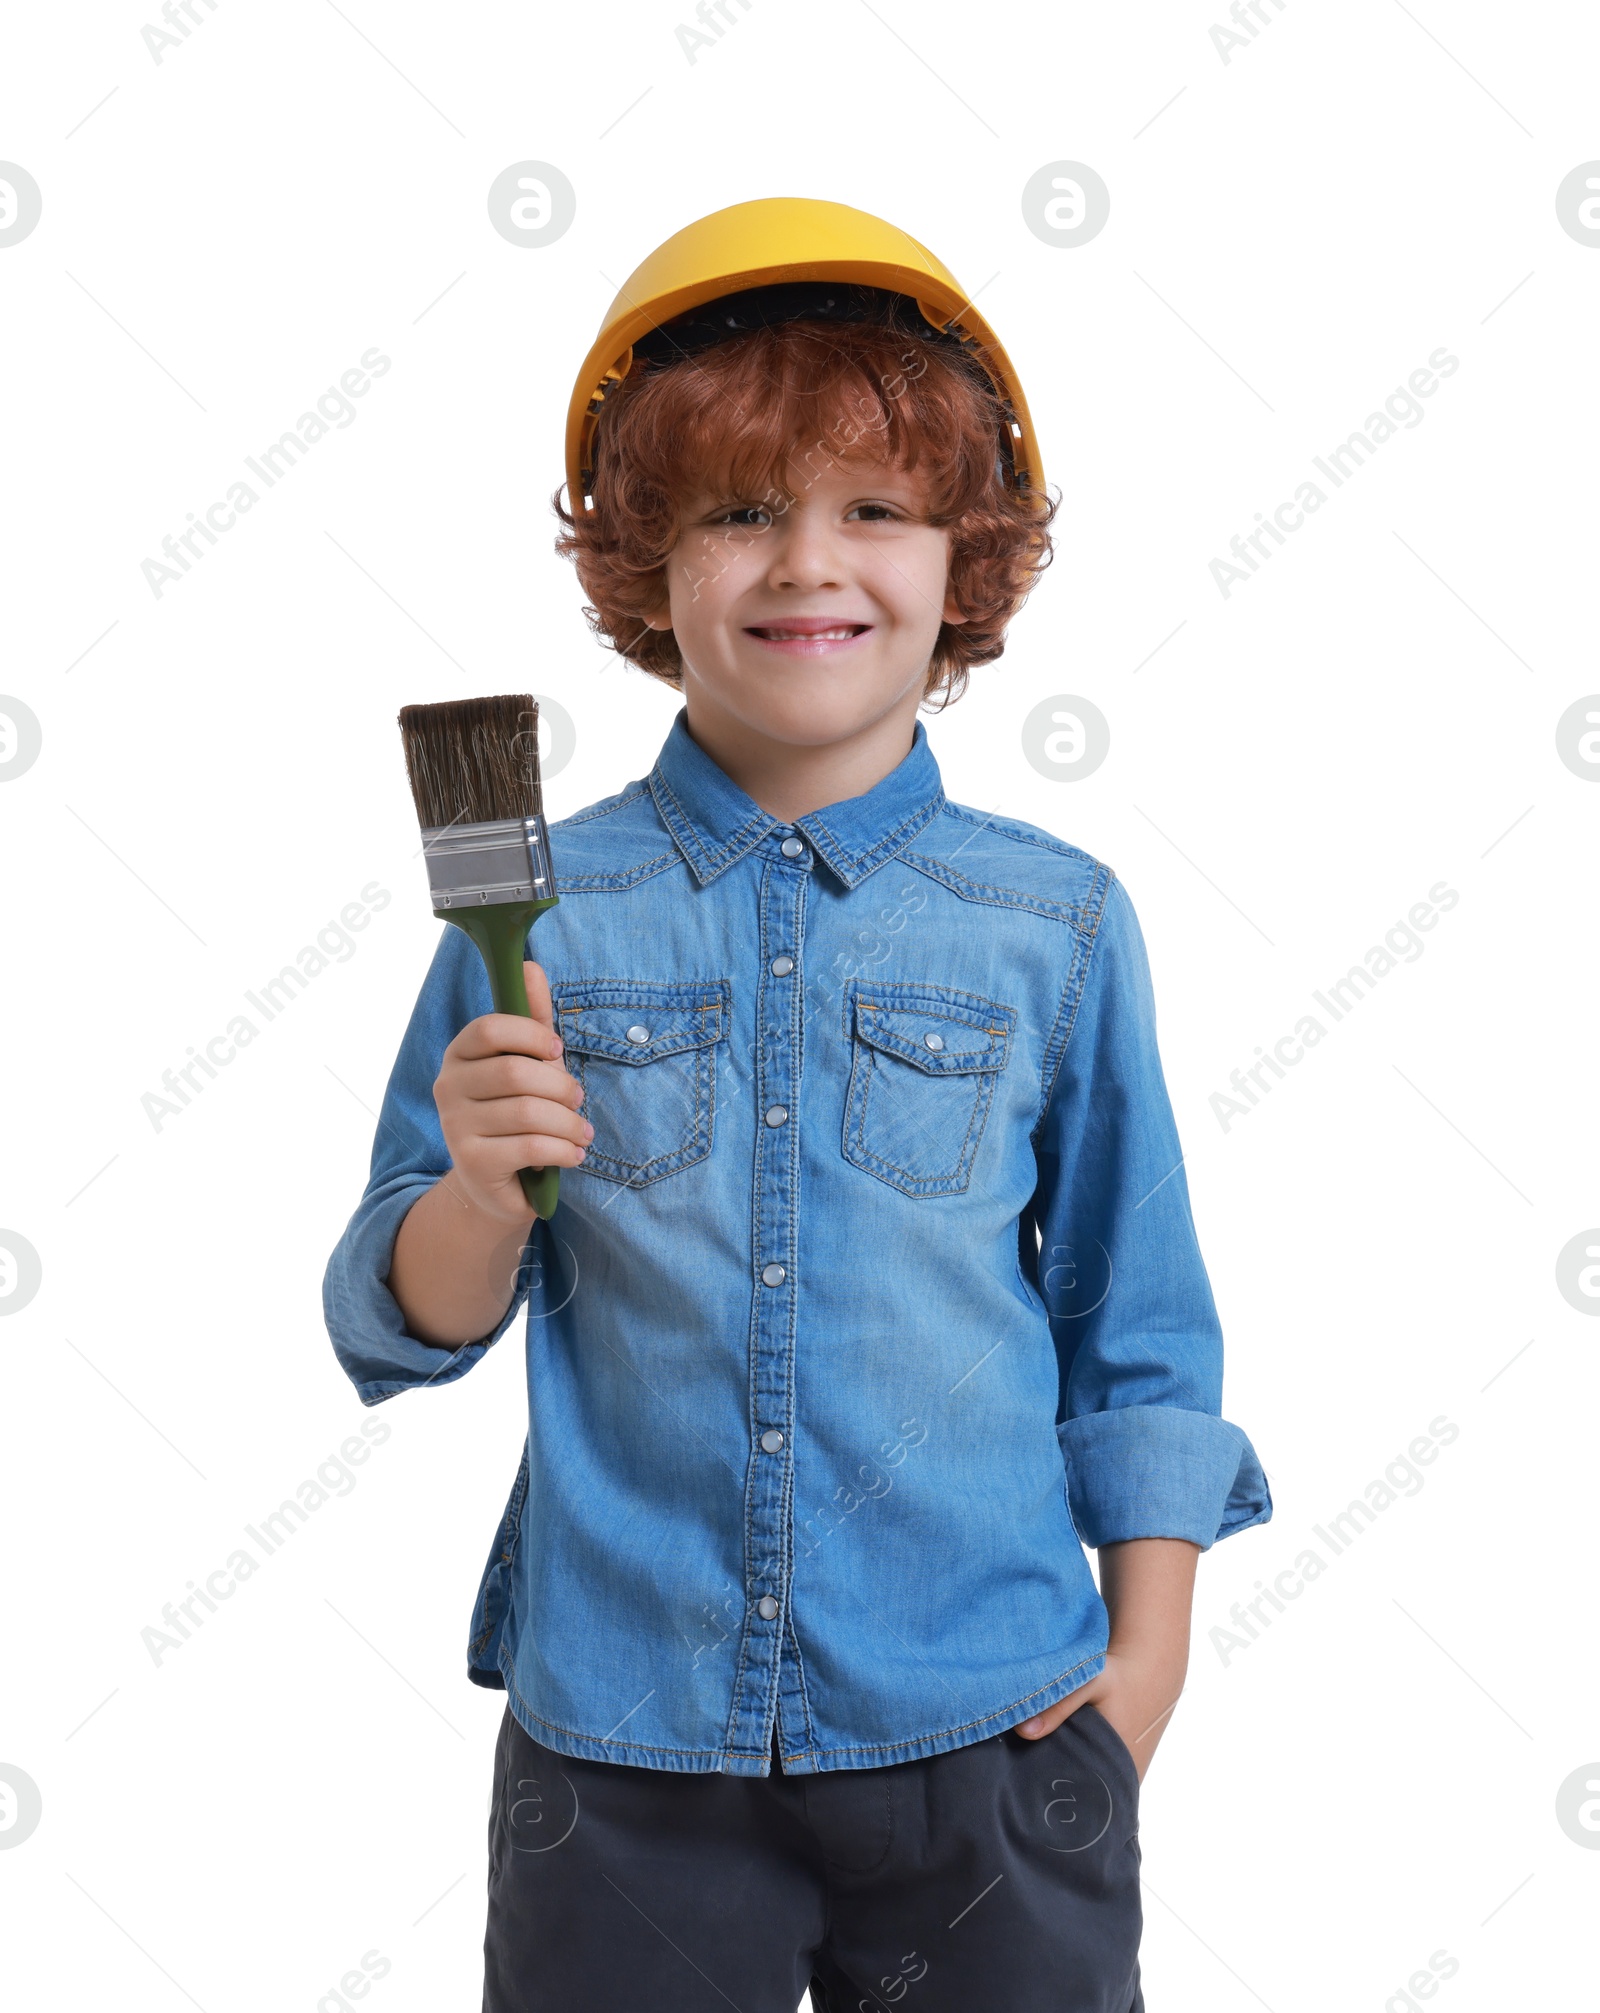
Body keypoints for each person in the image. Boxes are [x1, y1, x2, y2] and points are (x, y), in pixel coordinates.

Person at [323, 197, 1271, 2013]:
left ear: (963, 562)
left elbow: (1136, 1329)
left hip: (992, 1728)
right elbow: (396, 1316)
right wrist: (480, 1195)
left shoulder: (1052, 920)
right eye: (739, 510)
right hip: (624, 1751)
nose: (803, 562)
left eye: (876, 510)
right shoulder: (536, 916)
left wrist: (1143, 1670)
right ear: (644, 567)